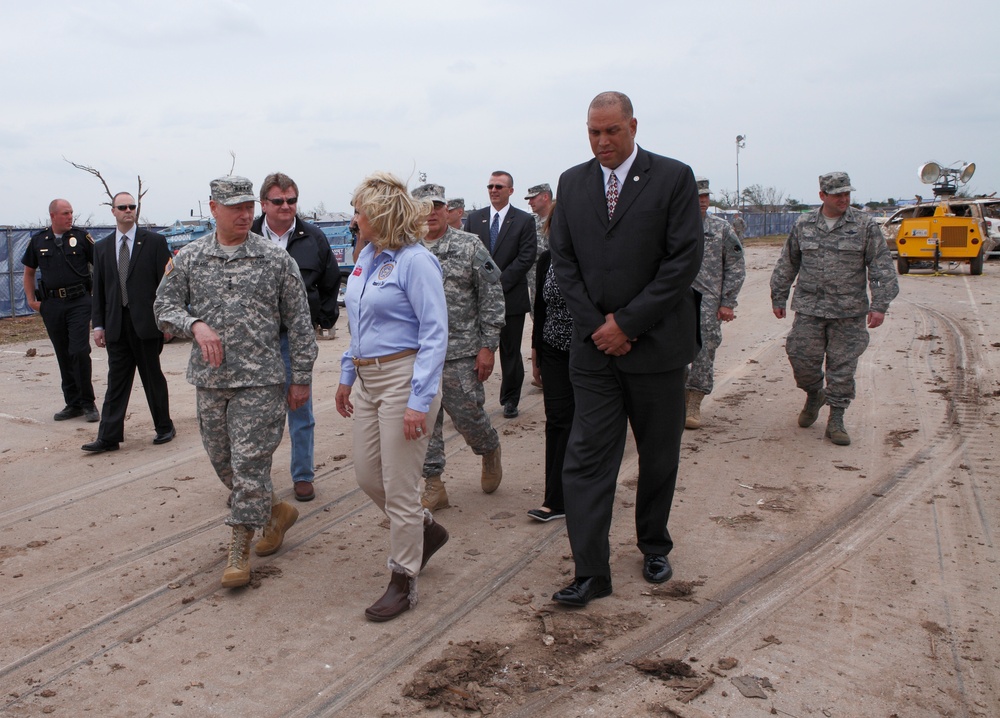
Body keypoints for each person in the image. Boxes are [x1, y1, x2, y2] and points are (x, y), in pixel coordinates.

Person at [548, 91, 703, 607]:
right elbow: (563, 263)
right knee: (587, 460)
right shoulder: (572, 183)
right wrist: (599, 327)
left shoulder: (673, 178)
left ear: (632, 126)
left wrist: (629, 323)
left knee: (658, 455)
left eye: (611, 131)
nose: (602, 142)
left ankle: (653, 543)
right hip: (594, 352)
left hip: (656, 348)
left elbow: (681, 262)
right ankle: (592, 572)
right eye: (593, 132)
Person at [154, 176, 317, 589]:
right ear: (213, 208)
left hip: (261, 381)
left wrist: (300, 379)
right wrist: (195, 325)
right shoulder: (190, 258)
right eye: (235, 207)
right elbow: (163, 307)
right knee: (224, 462)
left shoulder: (275, 259)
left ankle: (239, 548)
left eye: (249, 207)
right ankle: (275, 511)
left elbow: (299, 324)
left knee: (249, 465)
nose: (245, 214)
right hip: (210, 381)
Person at [335, 172, 449, 622]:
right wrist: (347, 373)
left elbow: (435, 333)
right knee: (367, 476)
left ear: (378, 215)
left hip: (404, 378)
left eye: (358, 210)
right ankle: (425, 531)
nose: (354, 217)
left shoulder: (416, 262)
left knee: (401, 489)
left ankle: (404, 578)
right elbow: (358, 322)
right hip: (367, 379)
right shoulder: (366, 257)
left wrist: (419, 400)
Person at [770, 171, 899, 446]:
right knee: (801, 358)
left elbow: (881, 267)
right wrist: (778, 296)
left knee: (842, 368)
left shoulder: (864, 225)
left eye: (847, 193)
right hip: (809, 309)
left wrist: (880, 304)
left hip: (848, 312)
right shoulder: (804, 224)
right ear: (822, 196)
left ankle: (836, 419)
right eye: (837, 194)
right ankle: (814, 393)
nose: (844, 198)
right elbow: (788, 262)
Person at [410, 183, 504, 511]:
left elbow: (491, 296)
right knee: (424, 424)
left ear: (446, 209)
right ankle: (433, 484)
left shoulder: (469, 246)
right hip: (418, 354)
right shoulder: (406, 249)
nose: (431, 212)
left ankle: (489, 449)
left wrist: (488, 346)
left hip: (460, 352)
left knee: (468, 416)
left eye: (437, 206)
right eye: (424, 206)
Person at [251, 172, 340, 502]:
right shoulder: (246, 237)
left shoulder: (313, 238)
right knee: (253, 414)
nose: (286, 206)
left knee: (300, 408)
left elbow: (331, 279)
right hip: (254, 342)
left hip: (294, 339)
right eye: (278, 201)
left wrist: (322, 317)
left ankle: (303, 475)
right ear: (264, 204)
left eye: (291, 200)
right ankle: (251, 481)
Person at [83, 193, 174, 453]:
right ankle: (109, 437)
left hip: (146, 324)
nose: (128, 210)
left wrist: (166, 322)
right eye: (122, 207)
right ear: (113, 211)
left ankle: (164, 427)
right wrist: (98, 325)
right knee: (116, 382)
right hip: (116, 324)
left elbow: (166, 285)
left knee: (152, 377)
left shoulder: (155, 242)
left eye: (132, 206)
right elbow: (99, 290)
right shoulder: (101, 247)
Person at [464, 171, 537, 418]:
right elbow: (468, 254)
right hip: (478, 301)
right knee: (475, 351)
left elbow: (526, 257)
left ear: (510, 191)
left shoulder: (524, 220)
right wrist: (484, 286)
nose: (493, 190)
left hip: (511, 299)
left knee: (510, 351)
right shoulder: (475, 219)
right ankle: (472, 401)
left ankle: (510, 399)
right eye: (490, 186)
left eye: (499, 186)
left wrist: (497, 283)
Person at [22, 199, 99, 422]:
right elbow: (28, 272)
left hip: (79, 302)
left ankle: (88, 402)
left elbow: (101, 267)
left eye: (71, 212)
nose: (70, 216)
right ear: (53, 216)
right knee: (63, 353)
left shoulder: (82, 238)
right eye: (65, 213)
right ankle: (72, 403)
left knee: (79, 351)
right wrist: (30, 300)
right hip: (52, 304)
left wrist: (96, 298)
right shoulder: (38, 240)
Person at [685, 178, 746, 429]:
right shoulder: (672, 226)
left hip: (708, 302)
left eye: (706, 196)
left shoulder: (720, 229)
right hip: (674, 299)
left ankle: (694, 401)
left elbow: (735, 266)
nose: (703, 201)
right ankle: (677, 393)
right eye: (698, 196)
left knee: (705, 347)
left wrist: (728, 302)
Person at [528, 210, 573, 523]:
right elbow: (540, 310)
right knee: (557, 420)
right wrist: (537, 353)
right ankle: (555, 500)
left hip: (595, 352)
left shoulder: (596, 256)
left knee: (590, 423)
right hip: (554, 349)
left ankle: (589, 488)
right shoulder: (547, 260)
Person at [524, 183, 554, 331]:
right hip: (535, 282)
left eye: (533, 198)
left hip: (556, 280)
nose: (530, 202)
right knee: (536, 316)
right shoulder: (531, 223)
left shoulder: (560, 219)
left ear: (545, 196)